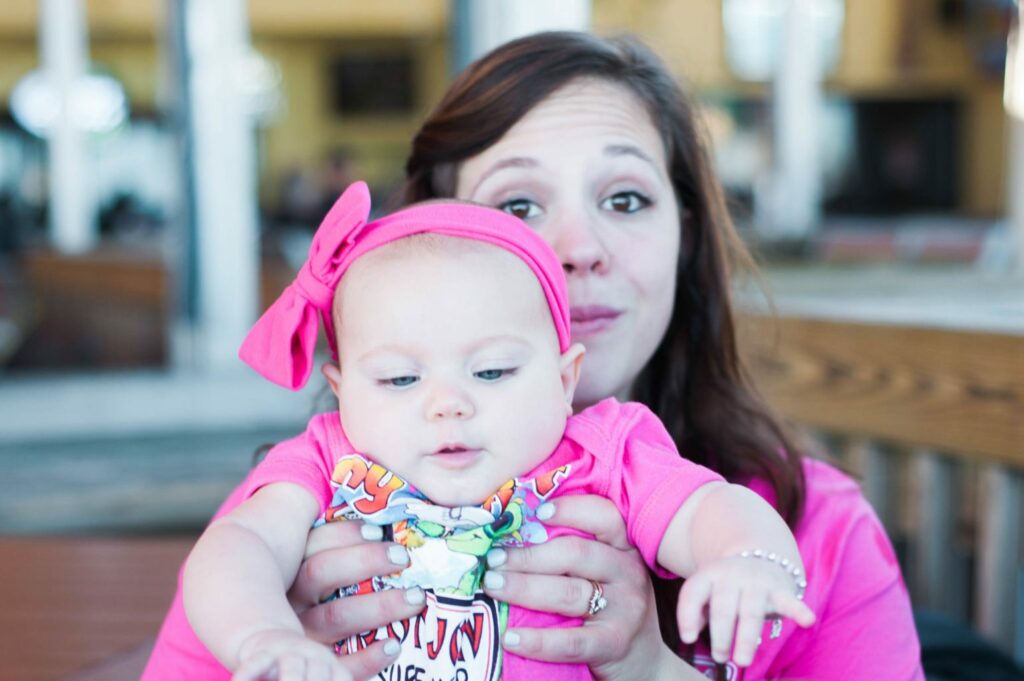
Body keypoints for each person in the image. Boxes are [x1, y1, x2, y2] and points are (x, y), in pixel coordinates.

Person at [144, 31, 924, 680]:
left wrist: (653, 666)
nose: (576, 250)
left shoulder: (799, 522)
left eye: (625, 198)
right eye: (517, 207)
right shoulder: (323, 483)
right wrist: (275, 643)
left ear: (687, 236)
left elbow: (723, 524)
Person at [181, 181, 813, 681]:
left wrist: (745, 559)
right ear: (343, 393)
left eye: (491, 370)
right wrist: (264, 635)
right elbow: (238, 546)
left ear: (566, 381)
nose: (448, 405)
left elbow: (708, 507)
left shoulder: (601, 454)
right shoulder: (326, 460)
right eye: (400, 380)